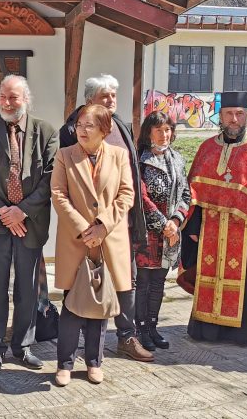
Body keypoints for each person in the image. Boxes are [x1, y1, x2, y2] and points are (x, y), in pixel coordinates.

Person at [59, 74, 153, 362]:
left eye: (113, 95)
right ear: (90, 101)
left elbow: (129, 182)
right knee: (82, 282)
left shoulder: (121, 126)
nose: (112, 101)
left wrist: (112, 221)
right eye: (105, 96)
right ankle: (80, 346)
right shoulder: (71, 130)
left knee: (126, 280)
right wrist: (89, 227)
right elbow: (65, 186)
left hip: (117, 223)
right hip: (84, 230)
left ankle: (126, 336)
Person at [0, 75, 58, 373]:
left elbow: (51, 177)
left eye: (14, 97)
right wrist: (4, 212)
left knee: (27, 287)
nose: (7, 102)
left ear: (26, 99)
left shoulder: (46, 131)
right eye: (3, 96)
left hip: (30, 222)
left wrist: (22, 211)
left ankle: (22, 345)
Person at [51, 104, 135, 386]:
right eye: (79, 125)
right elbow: (59, 195)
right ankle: (64, 363)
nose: (82, 131)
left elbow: (126, 195)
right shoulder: (65, 155)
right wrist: (85, 229)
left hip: (107, 239)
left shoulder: (119, 155)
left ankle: (94, 362)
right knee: (72, 304)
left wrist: (103, 226)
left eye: (90, 126)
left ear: (105, 129)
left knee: (101, 303)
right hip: (76, 240)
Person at [181, 92, 247, 346]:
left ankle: (239, 332)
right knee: (207, 275)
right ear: (220, 116)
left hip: (244, 233)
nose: (234, 119)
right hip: (209, 228)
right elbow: (194, 191)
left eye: (239, 114)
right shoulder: (207, 148)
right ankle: (204, 328)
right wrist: (194, 226)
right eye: (229, 114)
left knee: (242, 280)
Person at [134, 111, 190, 351]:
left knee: (159, 282)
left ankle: (154, 327)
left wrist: (176, 221)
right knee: (144, 282)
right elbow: (141, 196)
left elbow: (186, 193)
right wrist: (162, 223)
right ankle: (141, 329)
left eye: (167, 130)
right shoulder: (139, 160)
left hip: (171, 233)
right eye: (159, 130)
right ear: (148, 132)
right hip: (147, 233)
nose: (164, 134)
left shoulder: (178, 159)